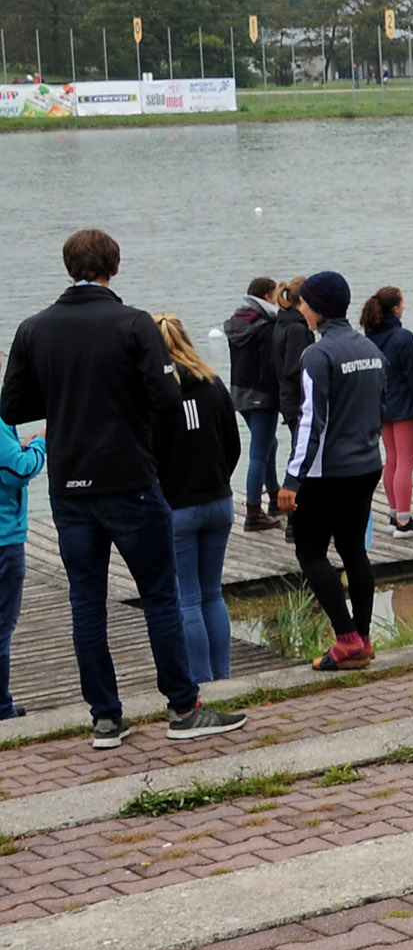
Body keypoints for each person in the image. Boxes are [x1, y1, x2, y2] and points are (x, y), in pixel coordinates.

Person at [0, 229, 245, 747]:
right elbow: (164, 397)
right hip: (129, 480)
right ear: (115, 265)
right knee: (160, 596)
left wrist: (68, 396)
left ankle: (106, 718)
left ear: (69, 268)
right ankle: (183, 708)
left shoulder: (33, 329)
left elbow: (14, 408)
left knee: (85, 601)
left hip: (69, 485)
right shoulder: (134, 324)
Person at [277, 270, 386, 671]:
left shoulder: (317, 355)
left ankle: (345, 640)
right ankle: (364, 637)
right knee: (354, 550)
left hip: (326, 473)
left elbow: (310, 422)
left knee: (309, 550)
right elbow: (381, 406)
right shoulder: (371, 349)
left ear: (317, 309)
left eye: (304, 302)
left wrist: (292, 480)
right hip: (367, 464)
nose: (301, 308)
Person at [152, 314, 242, 689]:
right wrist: (220, 478)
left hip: (178, 506)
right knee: (212, 594)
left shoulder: (154, 395)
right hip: (219, 501)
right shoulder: (213, 383)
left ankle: (201, 682)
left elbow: (149, 456)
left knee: (186, 599)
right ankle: (223, 678)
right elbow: (234, 445)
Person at [361, 286, 413, 533]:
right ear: (395, 308)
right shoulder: (402, 338)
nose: (404, 307)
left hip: (381, 408)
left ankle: (394, 514)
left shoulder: (369, 338)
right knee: (406, 462)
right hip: (405, 408)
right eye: (402, 303)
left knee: (391, 460)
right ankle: (405, 521)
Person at [223, 276, 283, 530]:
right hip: (263, 394)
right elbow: (272, 364)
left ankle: (275, 497)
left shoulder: (237, 321)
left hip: (239, 392)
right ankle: (253, 513)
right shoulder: (266, 325)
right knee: (258, 453)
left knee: (270, 443)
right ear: (268, 297)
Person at [0, 400, 42, 719]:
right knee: (2, 626)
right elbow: (18, 471)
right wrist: (42, 442)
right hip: (4, 539)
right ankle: (2, 707)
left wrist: (18, 445)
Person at [269, 278, 313, 461]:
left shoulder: (282, 323)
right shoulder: (297, 330)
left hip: (288, 398)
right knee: (303, 450)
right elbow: (295, 368)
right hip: (298, 400)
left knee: (300, 448)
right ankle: (295, 487)